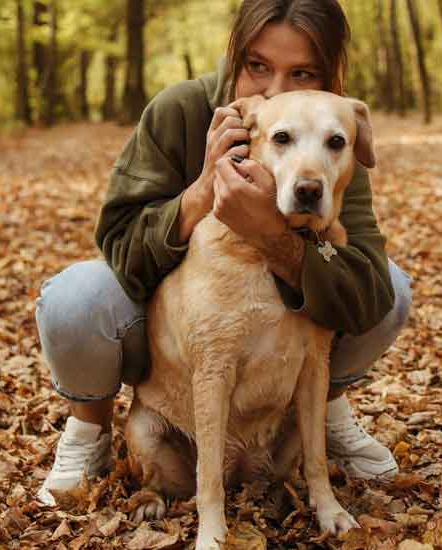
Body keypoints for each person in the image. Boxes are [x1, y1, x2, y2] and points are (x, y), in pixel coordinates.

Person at [35, 0, 412, 507]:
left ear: (328, 75)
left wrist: (274, 240)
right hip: (166, 331)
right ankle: (88, 433)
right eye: (258, 66)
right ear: (234, 55)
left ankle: (324, 409)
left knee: (392, 288)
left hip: (283, 342)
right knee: (74, 298)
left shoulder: (327, 135)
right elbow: (120, 248)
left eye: (300, 73)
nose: (276, 91)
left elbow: (365, 293)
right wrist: (200, 194)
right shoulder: (179, 110)